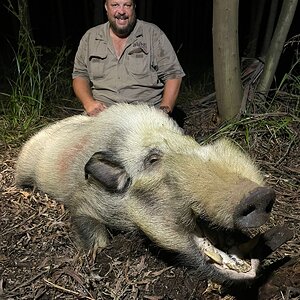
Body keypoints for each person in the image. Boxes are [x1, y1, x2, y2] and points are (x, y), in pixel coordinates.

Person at [72, 0, 185, 117]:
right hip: (102, 113)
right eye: (115, 5)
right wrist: (89, 103)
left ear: (134, 7)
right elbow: (80, 76)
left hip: (145, 114)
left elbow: (173, 74)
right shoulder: (91, 37)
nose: (121, 11)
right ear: (106, 7)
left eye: (127, 5)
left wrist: (164, 111)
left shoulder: (153, 34)